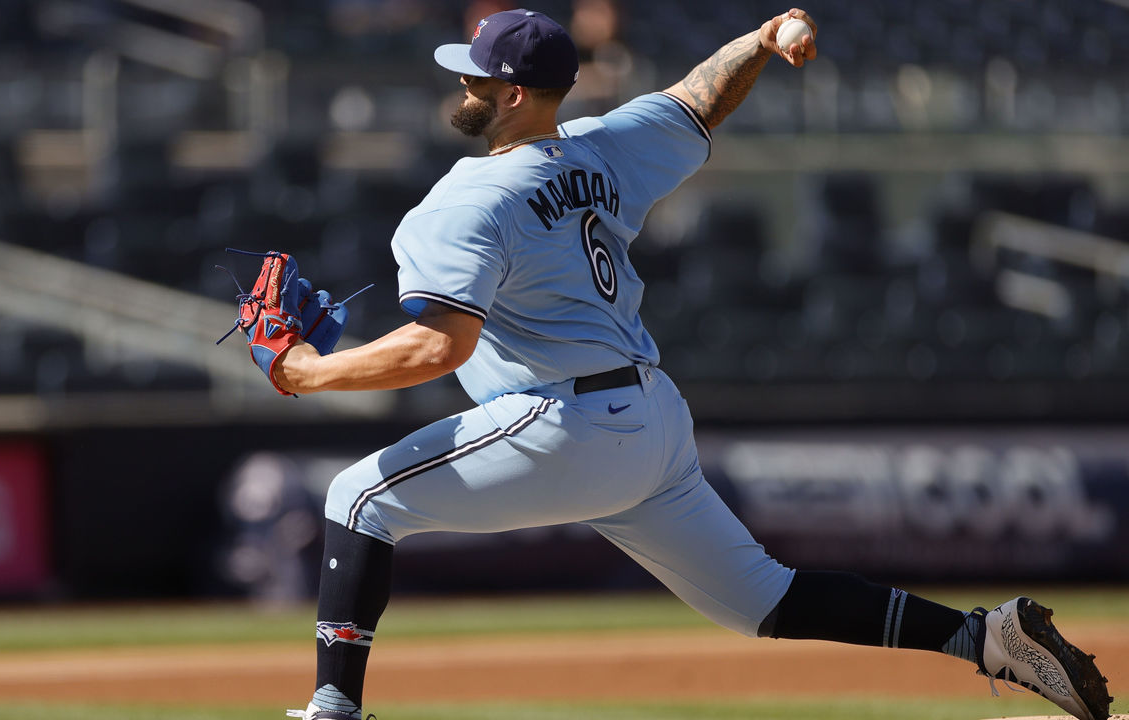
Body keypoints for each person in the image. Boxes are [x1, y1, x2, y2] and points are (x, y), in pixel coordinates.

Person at [274, 8, 1113, 720]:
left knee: (359, 497)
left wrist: (303, 372)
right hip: (649, 419)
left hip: (564, 423)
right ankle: (985, 636)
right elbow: (698, 100)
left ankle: (331, 711)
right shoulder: (603, 152)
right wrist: (760, 39)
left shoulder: (466, 198)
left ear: (513, 94)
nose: (462, 88)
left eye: (474, 80)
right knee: (764, 599)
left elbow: (437, 347)